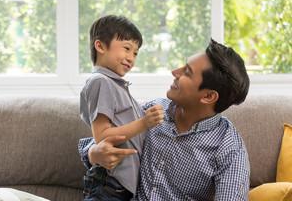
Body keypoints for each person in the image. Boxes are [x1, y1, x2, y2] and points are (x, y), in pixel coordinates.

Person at [79, 39, 251, 200]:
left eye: (187, 72)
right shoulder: (153, 111)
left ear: (208, 96)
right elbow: (107, 137)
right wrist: (93, 154)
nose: (175, 72)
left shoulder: (229, 148)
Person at [80, 15, 164, 200]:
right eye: (126, 48)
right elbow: (101, 137)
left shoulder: (117, 86)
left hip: (121, 185)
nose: (131, 58)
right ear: (100, 46)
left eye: (135, 53)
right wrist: (144, 123)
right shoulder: (101, 82)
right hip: (109, 182)